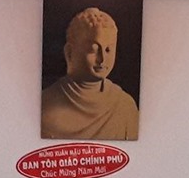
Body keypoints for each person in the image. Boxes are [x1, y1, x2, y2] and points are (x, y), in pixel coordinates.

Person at [41, 7, 139, 140]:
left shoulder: (124, 105)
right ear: (69, 52)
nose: (102, 59)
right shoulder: (46, 105)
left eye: (108, 50)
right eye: (93, 50)